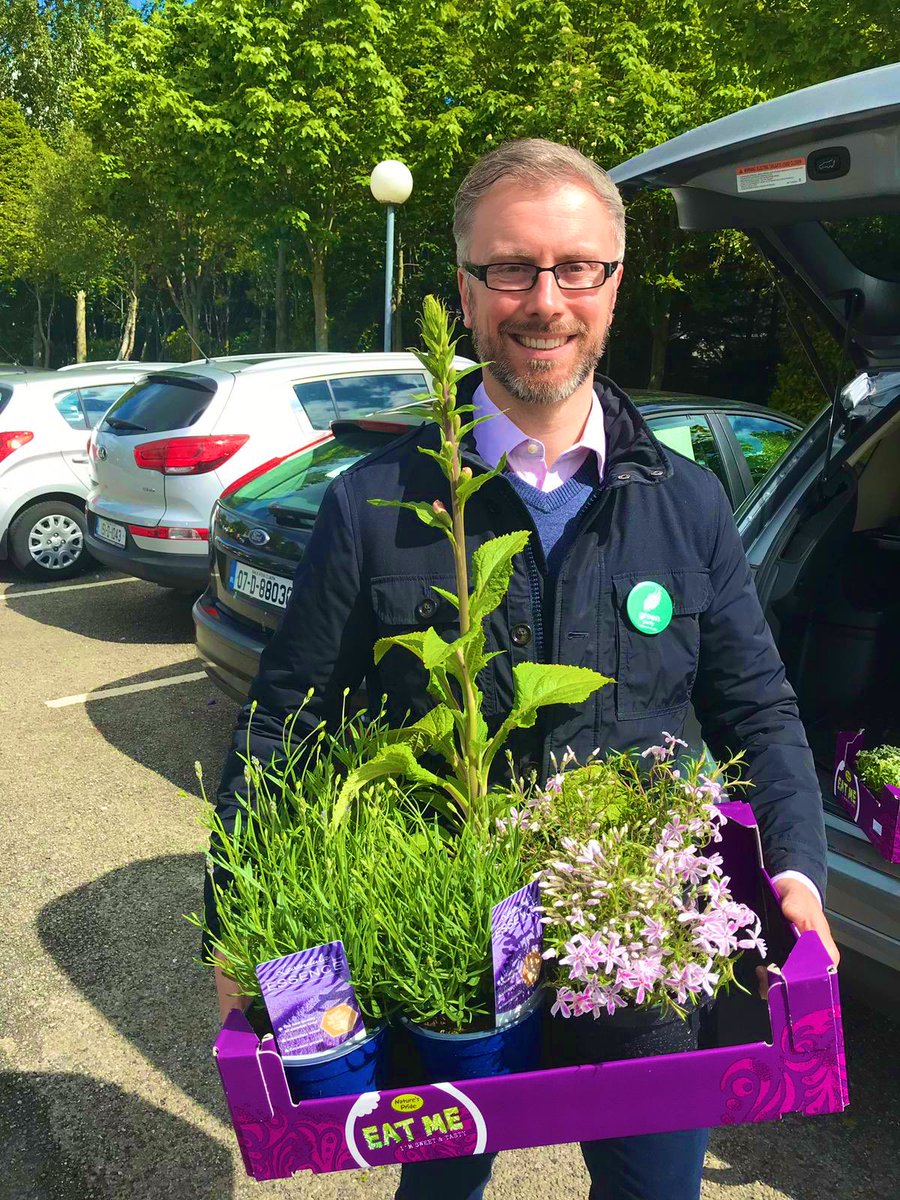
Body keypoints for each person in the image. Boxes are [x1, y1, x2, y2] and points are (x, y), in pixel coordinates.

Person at [208, 139, 839, 1200]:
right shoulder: (375, 508)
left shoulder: (682, 502)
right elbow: (284, 730)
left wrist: (801, 873)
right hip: (445, 962)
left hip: (634, 947)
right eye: (510, 268)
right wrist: (241, 920)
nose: (544, 300)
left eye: (575, 268)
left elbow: (760, 709)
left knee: (653, 1190)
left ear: (614, 286)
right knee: (441, 1190)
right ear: (463, 290)